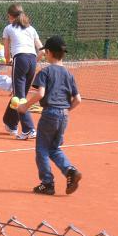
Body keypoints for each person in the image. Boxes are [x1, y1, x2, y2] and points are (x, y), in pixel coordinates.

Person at [18, 35, 82, 195]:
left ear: (48, 52)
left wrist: (25, 106)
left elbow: (40, 93)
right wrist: (65, 110)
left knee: (42, 150)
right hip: (64, 115)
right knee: (54, 148)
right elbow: (78, 100)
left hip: (49, 114)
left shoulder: (45, 72)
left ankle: (47, 183)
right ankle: (70, 171)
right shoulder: (69, 74)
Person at [2, 4, 44, 139]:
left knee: (19, 97)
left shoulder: (8, 28)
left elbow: (6, 52)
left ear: (10, 16)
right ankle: (10, 122)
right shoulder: (31, 29)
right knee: (20, 94)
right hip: (32, 60)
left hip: (20, 59)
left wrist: (8, 60)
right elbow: (42, 50)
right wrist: (34, 61)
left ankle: (29, 129)